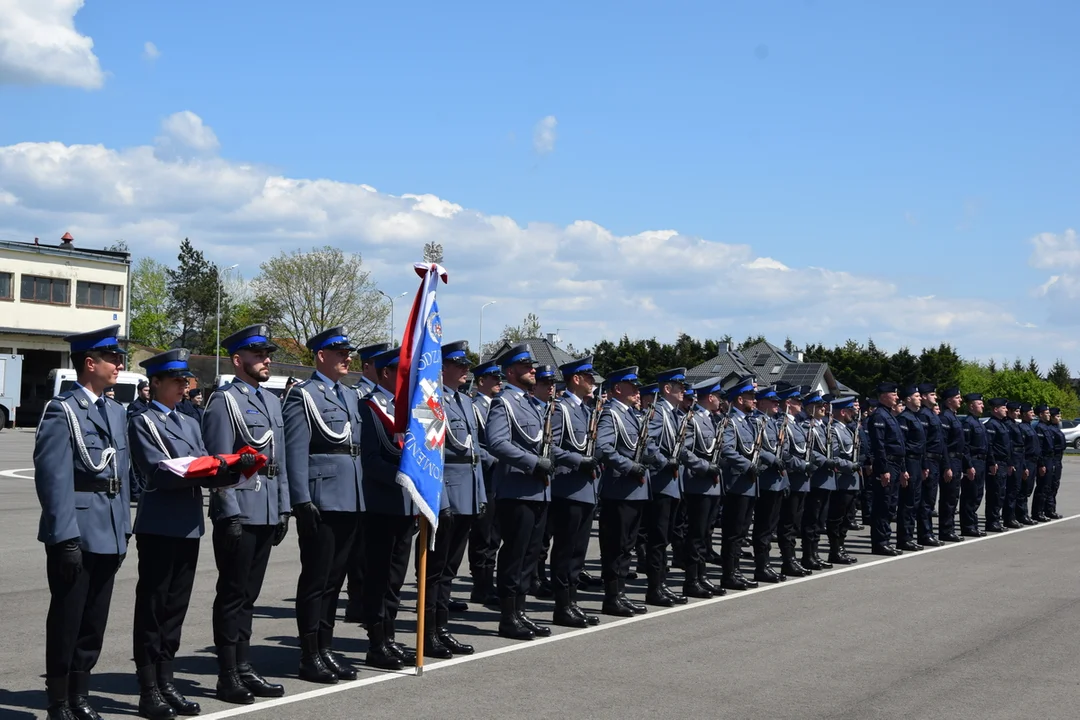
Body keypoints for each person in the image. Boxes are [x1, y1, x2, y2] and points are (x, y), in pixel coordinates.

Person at [129, 349, 235, 719]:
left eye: (184, 380)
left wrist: (234, 467)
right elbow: (160, 471)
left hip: (188, 525)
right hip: (160, 524)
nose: (182, 386)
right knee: (154, 608)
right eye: (175, 380)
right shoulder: (144, 422)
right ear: (154, 383)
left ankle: (166, 679)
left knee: (175, 609)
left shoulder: (190, 422)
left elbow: (203, 463)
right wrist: (209, 467)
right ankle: (148, 688)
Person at [34, 325, 131, 720]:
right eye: (112, 358)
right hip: (77, 531)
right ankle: (58, 700)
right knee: (68, 618)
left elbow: (121, 475)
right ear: (90, 363)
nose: (119, 364)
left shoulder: (115, 411)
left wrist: (123, 526)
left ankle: (80, 693)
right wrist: (64, 537)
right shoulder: (63, 410)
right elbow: (53, 478)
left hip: (109, 529)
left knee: (94, 621)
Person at [202, 324, 291, 702]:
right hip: (240, 510)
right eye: (258, 355)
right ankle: (228, 674)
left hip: (267, 507)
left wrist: (284, 507)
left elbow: (280, 461)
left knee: (250, 595)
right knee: (233, 594)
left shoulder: (271, 401)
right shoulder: (224, 402)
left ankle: (244, 666)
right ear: (239, 361)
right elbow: (219, 464)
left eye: (267, 354)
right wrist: (229, 513)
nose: (266, 359)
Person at [282, 327, 365, 683]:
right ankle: (309, 654)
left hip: (350, 497)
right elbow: (295, 451)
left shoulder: (349, 395)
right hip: (322, 498)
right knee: (316, 580)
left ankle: (326, 648)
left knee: (335, 581)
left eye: (348, 352)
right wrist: (300, 500)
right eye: (339, 352)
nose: (347, 357)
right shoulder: (304, 396)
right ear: (320, 356)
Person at [485, 344, 554, 639]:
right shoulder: (504, 403)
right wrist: (532, 462)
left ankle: (521, 612)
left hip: (537, 490)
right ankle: (508, 617)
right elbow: (497, 442)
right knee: (514, 555)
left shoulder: (530, 404)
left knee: (530, 555)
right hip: (516, 489)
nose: (533, 371)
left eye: (533, 367)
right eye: (527, 367)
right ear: (511, 372)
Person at [423, 340, 487, 657]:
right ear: (442, 367)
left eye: (466, 365)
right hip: (446, 494)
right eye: (459, 364)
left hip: (467, 494)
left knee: (449, 570)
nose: (465, 370)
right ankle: (428, 632)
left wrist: (481, 495)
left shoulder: (464, 401)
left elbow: (472, 453)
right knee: (435, 570)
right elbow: (431, 455)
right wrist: (442, 499)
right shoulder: (431, 401)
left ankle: (441, 628)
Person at [357, 346, 419, 669]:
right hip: (381, 505)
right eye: (400, 372)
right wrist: (402, 475)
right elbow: (370, 461)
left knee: (396, 577)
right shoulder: (369, 408)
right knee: (378, 577)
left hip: (405, 506)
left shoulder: (407, 409)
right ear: (385, 374)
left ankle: (390, 637)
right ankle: (376, 641)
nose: (405, 377)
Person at [595, 366, 654, 616]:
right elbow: (603, 448)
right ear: (618, 388)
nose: (637, 391)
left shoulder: (631, 414)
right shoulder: (611, 414)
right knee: (615, 546)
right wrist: (630, 466)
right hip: (619, 488)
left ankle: (620, 593)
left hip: (635, 489)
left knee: (626, 546)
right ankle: (611, 597)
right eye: (632, 386)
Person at [548, 355, 602, 627]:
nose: (593, 382)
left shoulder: (586, 409)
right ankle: (562, 606)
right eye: (589, 378)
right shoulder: (561, 408)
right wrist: (578, 461)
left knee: (579, 552)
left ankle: (572, 602)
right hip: (568, 488)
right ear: (576, 379)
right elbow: (551, 447)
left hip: (587, 488)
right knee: (565, 551)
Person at [343, 342, 389, 623]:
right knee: (358, 550)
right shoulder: (357, 395)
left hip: (370, 485)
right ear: (368, 366)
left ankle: (363, 599)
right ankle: (356, 599)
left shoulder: (383, 398)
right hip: (359, 481)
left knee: (368, 550)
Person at [643, 367, 689, 606]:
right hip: (661, 483)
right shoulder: (658, 412)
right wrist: (663, 461)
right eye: (678, 386)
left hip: (673, 484)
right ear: (666, 389)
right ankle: (655, 588)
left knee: (666, 538)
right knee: (658, 539)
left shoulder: (674, 414)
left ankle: (661, 585)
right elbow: (647, 442)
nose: (683, 390)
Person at [680, 379, 725, 596]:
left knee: (705, 534)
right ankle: (691, 580)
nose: (721, 401)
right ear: (710, 397)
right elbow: (684, 451)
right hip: (699, 484)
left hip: (712, 485)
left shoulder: (711, 420)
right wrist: (705, 467)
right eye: (719, 396)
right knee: (696, 535)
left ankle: (701, 576)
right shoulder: (693, 420)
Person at [719, 376, 761, 591]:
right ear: (738, 399)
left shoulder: (747, 421)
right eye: (750, 397)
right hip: (737, 483)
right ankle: (729, 574)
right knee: (734, 532)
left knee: (742, 531)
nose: (754, 400)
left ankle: (735, 571)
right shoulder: (730, 421)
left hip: (749, 483)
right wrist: (746, 465)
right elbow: (726, 449)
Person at [467, 360, 503, 607]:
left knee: (496, 535)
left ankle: (488, 583)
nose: (499, 382)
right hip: (485, 476)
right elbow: (469, 441)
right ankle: (481, 586)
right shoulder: (473, 407)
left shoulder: (499, 406)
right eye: (494, 378)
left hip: (501, 479)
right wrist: (492, 459)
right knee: (483, 534)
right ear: (481, 382)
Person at [750, 386, 787, 583]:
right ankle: (761, 566)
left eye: (777, 401)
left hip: (777, 481)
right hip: (765, 480)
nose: (776, 404)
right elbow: (757, 447)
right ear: (762, 402)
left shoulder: (773, 423)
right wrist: (772, 459)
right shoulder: (756, 421)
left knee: (770, 526)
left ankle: (766, 565)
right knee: (763, 527)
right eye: (772, 401)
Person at [867, 382, 907, 556]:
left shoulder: (889, 416)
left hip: (895, 465)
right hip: (887, 465)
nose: (897, 397)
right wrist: (883, 469)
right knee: (883, 505)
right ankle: (880, 542)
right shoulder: (879, 416)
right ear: (883, 396)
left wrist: (903, 469)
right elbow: (879, 445)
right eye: (894, 394)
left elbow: (899, 445)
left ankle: (885, 540)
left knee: (890, 504)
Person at [800, 392, 834, 569]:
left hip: (826, 478)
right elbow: (809, 451)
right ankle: (808, 554)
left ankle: (815, 553)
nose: (823, 408)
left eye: (823, 405)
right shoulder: (807, 426)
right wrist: (825, 461)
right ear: (809, 408)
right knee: (811, 519)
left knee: (820, 520)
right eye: (819, 406)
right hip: (815, 478)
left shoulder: (823, 426)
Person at [825, 397, 860, 564]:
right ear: (842, 412)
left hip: (852, 480)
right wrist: (850, 466)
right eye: (851, 411)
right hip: (842, 479)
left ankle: (841, 547)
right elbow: (833, 456)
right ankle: (835, 550)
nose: (853, 414)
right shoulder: (833, 430)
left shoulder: (847, 429)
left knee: (847, 517)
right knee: (837, 517)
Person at [916, 384, 949, 546]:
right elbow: (922, 442)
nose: (935, 397)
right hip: (928, 460)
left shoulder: (932, 414)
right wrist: (924, 464)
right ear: (923, 397)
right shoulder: (923, 415)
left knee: (930, 499)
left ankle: (928, 532)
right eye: (931, 394)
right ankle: (924, 533)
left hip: (936, 460)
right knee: (926, 500)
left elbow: (941, 442)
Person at [894, 386, 926, 552]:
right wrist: (903, 469)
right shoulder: (904, 418)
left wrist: (924, 465)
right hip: (909, 462)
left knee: (914, 502)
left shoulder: (916, 417)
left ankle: (909, 537)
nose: (920, 398)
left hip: (918, 463)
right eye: (916, 395)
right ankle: (904, 538)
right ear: (907, 399)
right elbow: (903, 446)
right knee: (907, 503)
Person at [937, 388, 967, 542]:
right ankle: (945, 530)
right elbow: (944, 444)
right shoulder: (945, 418)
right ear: (949, 400)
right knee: (948, 498)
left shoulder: (954, 417)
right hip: (950, 460)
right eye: (957, 397)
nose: (960, 400)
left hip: (957, 461)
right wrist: (947, 466)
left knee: (953, 497)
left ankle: (950, 529)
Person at [960, 394, 990, 537]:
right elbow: (965, 447)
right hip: (973, 462)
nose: (982, 406)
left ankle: (972, 523)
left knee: (978, 494)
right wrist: (968, 465)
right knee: (969, 496)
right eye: (979, 403)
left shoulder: (978, 423)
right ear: (971, 406)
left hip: (981, 462)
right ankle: (968, 526)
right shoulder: (968, 423)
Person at [983, 398, 1012, 533]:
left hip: (1003, 462)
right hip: (997, 463)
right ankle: (992, 522)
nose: (1006, 410)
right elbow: (990, 446)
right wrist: (992, 462)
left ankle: (996, 520)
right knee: (995, 493)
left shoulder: (1001, 424)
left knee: (1000, 493)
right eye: (1003, 408)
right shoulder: (991, 425)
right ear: (995, 409)